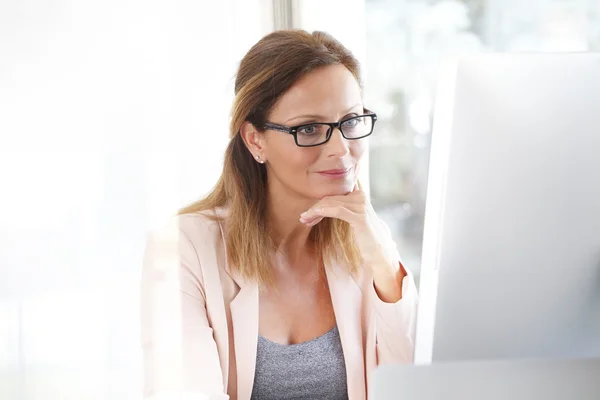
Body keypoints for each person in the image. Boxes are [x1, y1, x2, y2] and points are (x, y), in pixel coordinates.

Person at [141, 29, 418, 400]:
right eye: (309, 128)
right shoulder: (183, 249)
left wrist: (385, 264)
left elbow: (413, 386)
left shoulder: (366, 243)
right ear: (255, 140)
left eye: (350, 122)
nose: (340, 149)